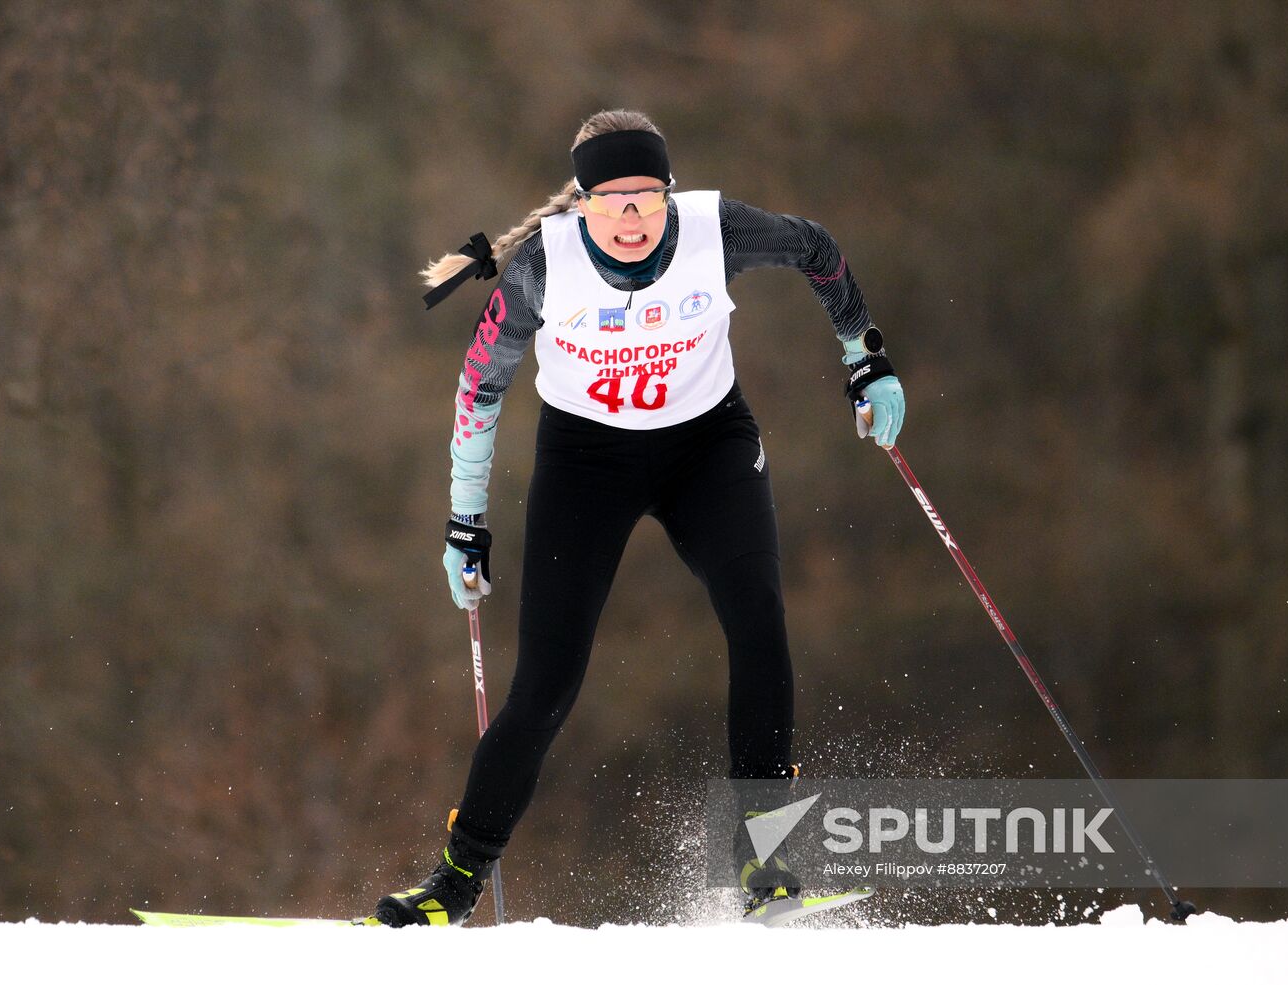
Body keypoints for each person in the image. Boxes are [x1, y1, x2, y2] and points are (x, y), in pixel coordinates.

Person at [375, 108, 904, 927]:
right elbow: (479, 389)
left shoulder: (713, 229)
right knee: (546, 686)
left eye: (647, 196)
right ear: (580, 204)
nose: (631, 217)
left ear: (670, 193)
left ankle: (765, 860)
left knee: (759, 623)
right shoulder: (540, 267)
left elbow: (817, 249)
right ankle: (452, 882)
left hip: (708, 450)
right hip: (586, 465)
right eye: (612, 199)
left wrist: (864, 354)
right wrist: (464, 521)